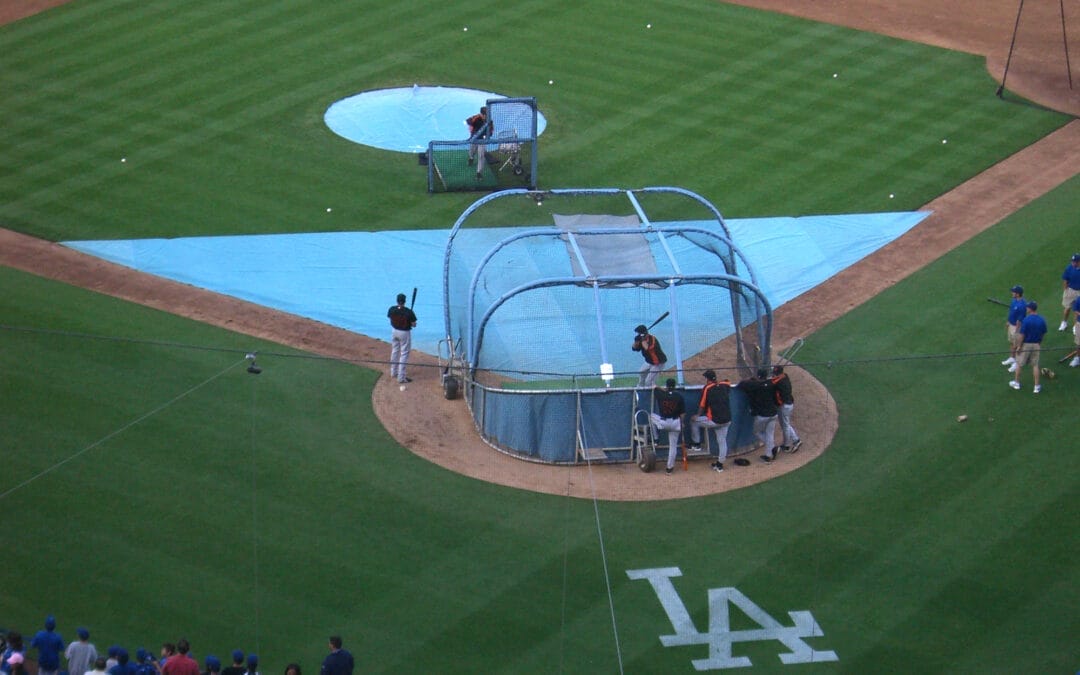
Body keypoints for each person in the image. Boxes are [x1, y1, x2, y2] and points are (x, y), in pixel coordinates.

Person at [688, 370, 732, 473]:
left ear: (707, 379)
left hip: (714, 420)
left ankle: (697, 444)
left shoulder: (707, 388)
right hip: (727, 420)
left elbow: (702, 406)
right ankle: (720, 465)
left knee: (693, 421)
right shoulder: (724, 385)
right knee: (722, 442)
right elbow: (728, 382)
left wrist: (697, 415)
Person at [737, 368, 781, 462]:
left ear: (759, 376)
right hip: (773, 414)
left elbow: (741, 384)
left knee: (757, 432)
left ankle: (772, 447)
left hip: (763, 416)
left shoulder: (755, 385)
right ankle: (768, 456)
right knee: (769, 434)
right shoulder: (771, 384)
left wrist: (751, 379)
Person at [649, 378, 686, 475]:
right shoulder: (679, 396)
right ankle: (669, 469)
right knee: (673, 446)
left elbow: (655, 387)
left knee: (651, 416)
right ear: (674, 386)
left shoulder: (661, 394)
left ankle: (656, 439)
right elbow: (682, 413)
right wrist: (682, 423)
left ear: (666, 386)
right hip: (675, 423)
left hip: (663, 423)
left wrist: (658, 387)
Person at [1010, 300, 1047, 393]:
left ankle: (1017, 383)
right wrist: (1039, 342)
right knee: (1035, 365)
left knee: (1019, 364)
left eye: (1027, 307)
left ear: (1030, 309)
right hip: (1036, 344)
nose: (1026, 308)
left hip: (1026, 345)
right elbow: (1043, 333)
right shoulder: (1041, 319)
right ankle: (1037, 386)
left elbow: (1022, 335)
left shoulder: (1026, 320)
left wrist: (1019, 346)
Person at [387, 292, 417, 384]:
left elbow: (390, 317)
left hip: (394, 332)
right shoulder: (408, 312)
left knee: (395, 351)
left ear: (397, 301)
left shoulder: (392, 309)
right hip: (404, 333)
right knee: (404, 354)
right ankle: (401, 377)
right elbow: (414, 324)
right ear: (404, 301)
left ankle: (393, 372)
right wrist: (408, 320)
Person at [771, 365, 802, 453]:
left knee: (785, 426)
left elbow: (773, 383)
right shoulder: (785, 376)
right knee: (786, 424)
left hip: (784, 406)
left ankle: (787, 445)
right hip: (789, 403)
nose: (774, 374)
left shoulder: (777, 382)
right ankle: (796, 440)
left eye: (775, 373)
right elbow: (775, 380)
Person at [1002, 285, 1026, 371]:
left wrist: (1017, 331)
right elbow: (1011, 312)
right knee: (1012, 343)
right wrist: (1008, 321)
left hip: (1017, 327)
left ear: (1018, 294)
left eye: (1014, 292)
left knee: (1017, 345)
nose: (1012, 293)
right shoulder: (1014, 300)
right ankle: (1012, 358)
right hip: (1011, 325)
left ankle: (1017, 363)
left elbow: (1020, 319)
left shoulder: (1022, 305)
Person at [1058, 253, 1080, 331]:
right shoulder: (1069, 268)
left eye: (1074, 261)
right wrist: (1065, 290)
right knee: (1067, 308)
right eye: (1072, 261)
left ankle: (1075, 326)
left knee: (1077, 310)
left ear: (1078, 262)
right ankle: (1064, 322)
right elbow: (1065, 279)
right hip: (1070, 291)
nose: (1072, 263)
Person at [465, 106, 489, 178]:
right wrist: (472, 130)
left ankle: (479, 173)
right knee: (472, 151)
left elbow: (491, 130)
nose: (485, 116)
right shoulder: (476, 117)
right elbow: (468, 121)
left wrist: (488, 135)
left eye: (487, 115)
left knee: (481, 156)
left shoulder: (489, 120)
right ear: (481, 114)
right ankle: (471, 158)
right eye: (484, 115)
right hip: (474, 139)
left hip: (482, 140)